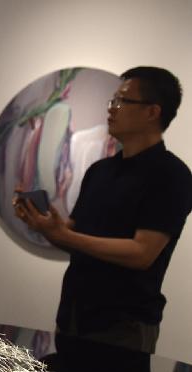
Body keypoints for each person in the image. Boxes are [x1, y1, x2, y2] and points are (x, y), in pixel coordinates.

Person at [14, 66, 192, 354]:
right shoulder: (100, 170)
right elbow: (73, 234)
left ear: (152, 112)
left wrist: (65, 235)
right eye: (113, 100)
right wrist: (45, 226)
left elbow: (142, 253)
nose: (112, 108)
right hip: (73, 315)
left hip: (123, 325)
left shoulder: (172, 175)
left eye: (122, 101)